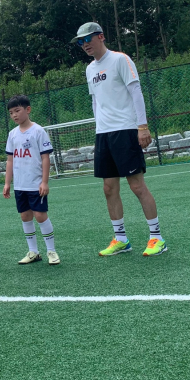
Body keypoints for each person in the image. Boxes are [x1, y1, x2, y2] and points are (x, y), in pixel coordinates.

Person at [71, 22, 166, 256]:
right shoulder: (89, 69)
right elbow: (96, 101)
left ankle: (157, 238)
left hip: (125, 130)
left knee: (137, 185)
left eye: (88, 39)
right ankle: (121, 239)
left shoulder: (120, 59)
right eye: (80, 42)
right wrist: (99, 128)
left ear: (101, 36)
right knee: (108, 188)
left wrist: (142, 127)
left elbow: (136, 92)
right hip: (103, 134)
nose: (84, 44)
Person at [3, 95, 60, 265]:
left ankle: (51, 251)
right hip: (20, 185)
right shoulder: (12, 134)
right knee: (25, 216)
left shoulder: (38, 131)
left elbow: (45, 158)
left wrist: (44, 182)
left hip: (36, 184)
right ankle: (33, 252)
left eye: (17, 110)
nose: (14, 115)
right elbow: (10, 160)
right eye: (11, 112)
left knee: (40, 215)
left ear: (28, 110)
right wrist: (7, 183)